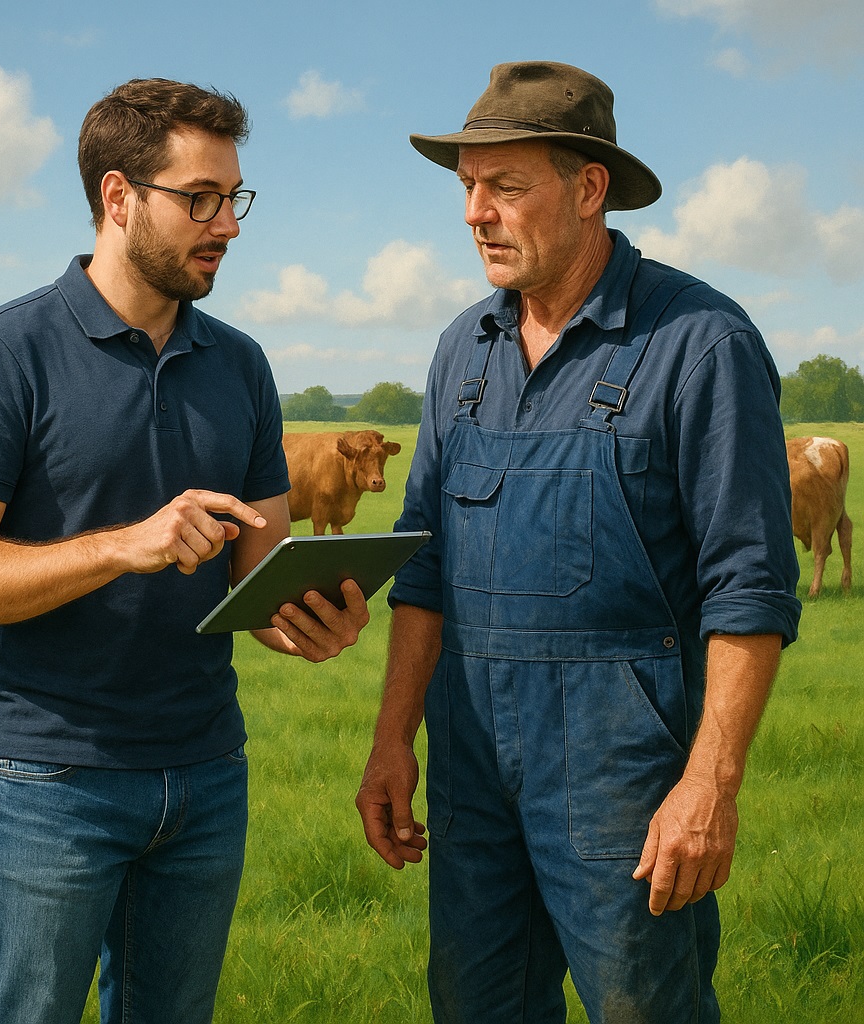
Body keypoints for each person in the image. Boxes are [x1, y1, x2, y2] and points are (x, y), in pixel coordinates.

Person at [0, 78, 368, 1024]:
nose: (226, 225)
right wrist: (123, 547)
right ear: (119, 199)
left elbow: (260, 583)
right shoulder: (3, 353)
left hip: (205, 776)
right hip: (46, 782)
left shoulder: (241, 365)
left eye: (233, 199)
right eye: (199, 198)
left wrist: (310, 624)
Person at [354, 61, 801, 1024]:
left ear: (589, 189)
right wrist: (394, 739)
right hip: (471, 775)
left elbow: (751, 588)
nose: (476, 213)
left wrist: (709, 786)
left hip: (626, 787)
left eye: (507, 187)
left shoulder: (700, 344)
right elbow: (423, 570)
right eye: (468, 187)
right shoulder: (459, 352)